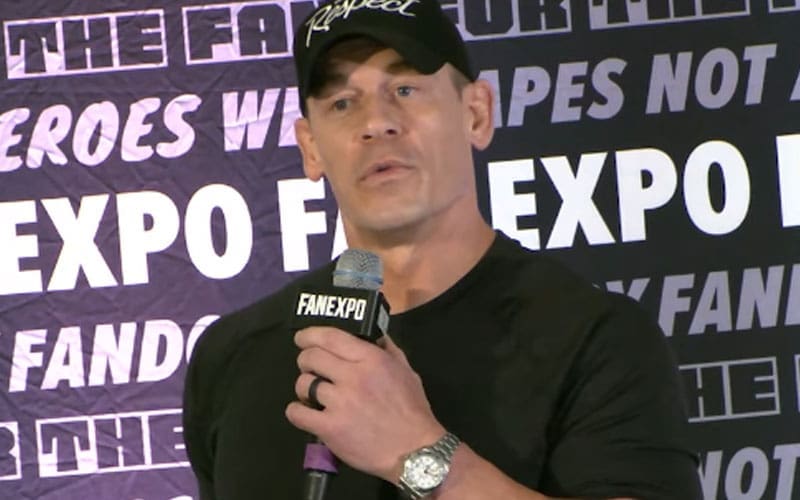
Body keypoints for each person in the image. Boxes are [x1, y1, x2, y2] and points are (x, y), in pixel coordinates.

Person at [182, 0, 702, 498]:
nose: (375, 122)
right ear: (311, 147)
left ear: (476, 114)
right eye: (342, 102)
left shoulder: (596, 338)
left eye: (405, 89)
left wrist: (418, 453)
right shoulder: (232, 358)